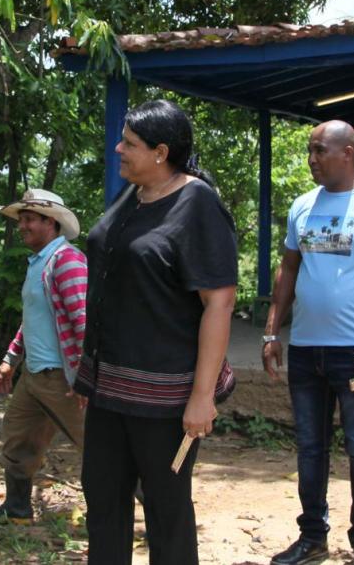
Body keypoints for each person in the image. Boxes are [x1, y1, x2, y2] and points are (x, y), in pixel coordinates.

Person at [73, 100, 237, 565]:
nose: (117, 149)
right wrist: (90, 376)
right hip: (109, 392)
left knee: (166, 510)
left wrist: (202, 397)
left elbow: (219, 303)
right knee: (103, 501)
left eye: (129, 143)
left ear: (161, 152)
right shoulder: (134, 193)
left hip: (166, 399)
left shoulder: (196, 203)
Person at [262, 121, 354, 565]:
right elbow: (288, 269)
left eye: (319, 151)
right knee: (310, 448)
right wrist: (274, 329)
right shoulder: (303, 207)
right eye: (310, 150)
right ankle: (312, 537)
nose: (311, 159)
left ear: (347, 153)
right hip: (307, 352)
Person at [0, 188, 88, 520]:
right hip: (34, 376)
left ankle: (159, 517)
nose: (22, 226)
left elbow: (83, 322)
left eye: (29, 219)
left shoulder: (67, 260)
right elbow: (33, 319)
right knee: (18, 438)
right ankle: (17, 507)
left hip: (63, 379)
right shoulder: (39, 263)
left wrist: (86, 377)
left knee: (102, 448)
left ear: (52, 222)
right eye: (21, 219)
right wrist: (10, 360)